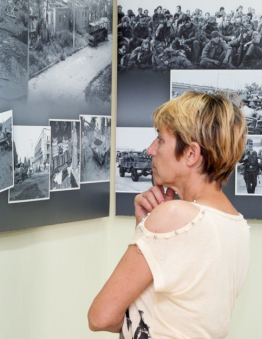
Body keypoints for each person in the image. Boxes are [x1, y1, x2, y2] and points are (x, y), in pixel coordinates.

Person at [89, 91, 250, 338]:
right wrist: (144, 228)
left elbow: (101, 316)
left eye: (160, 140)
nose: (150, 149)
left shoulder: (173, 216)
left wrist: (154, 225)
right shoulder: (237, 224)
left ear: (191, 154)